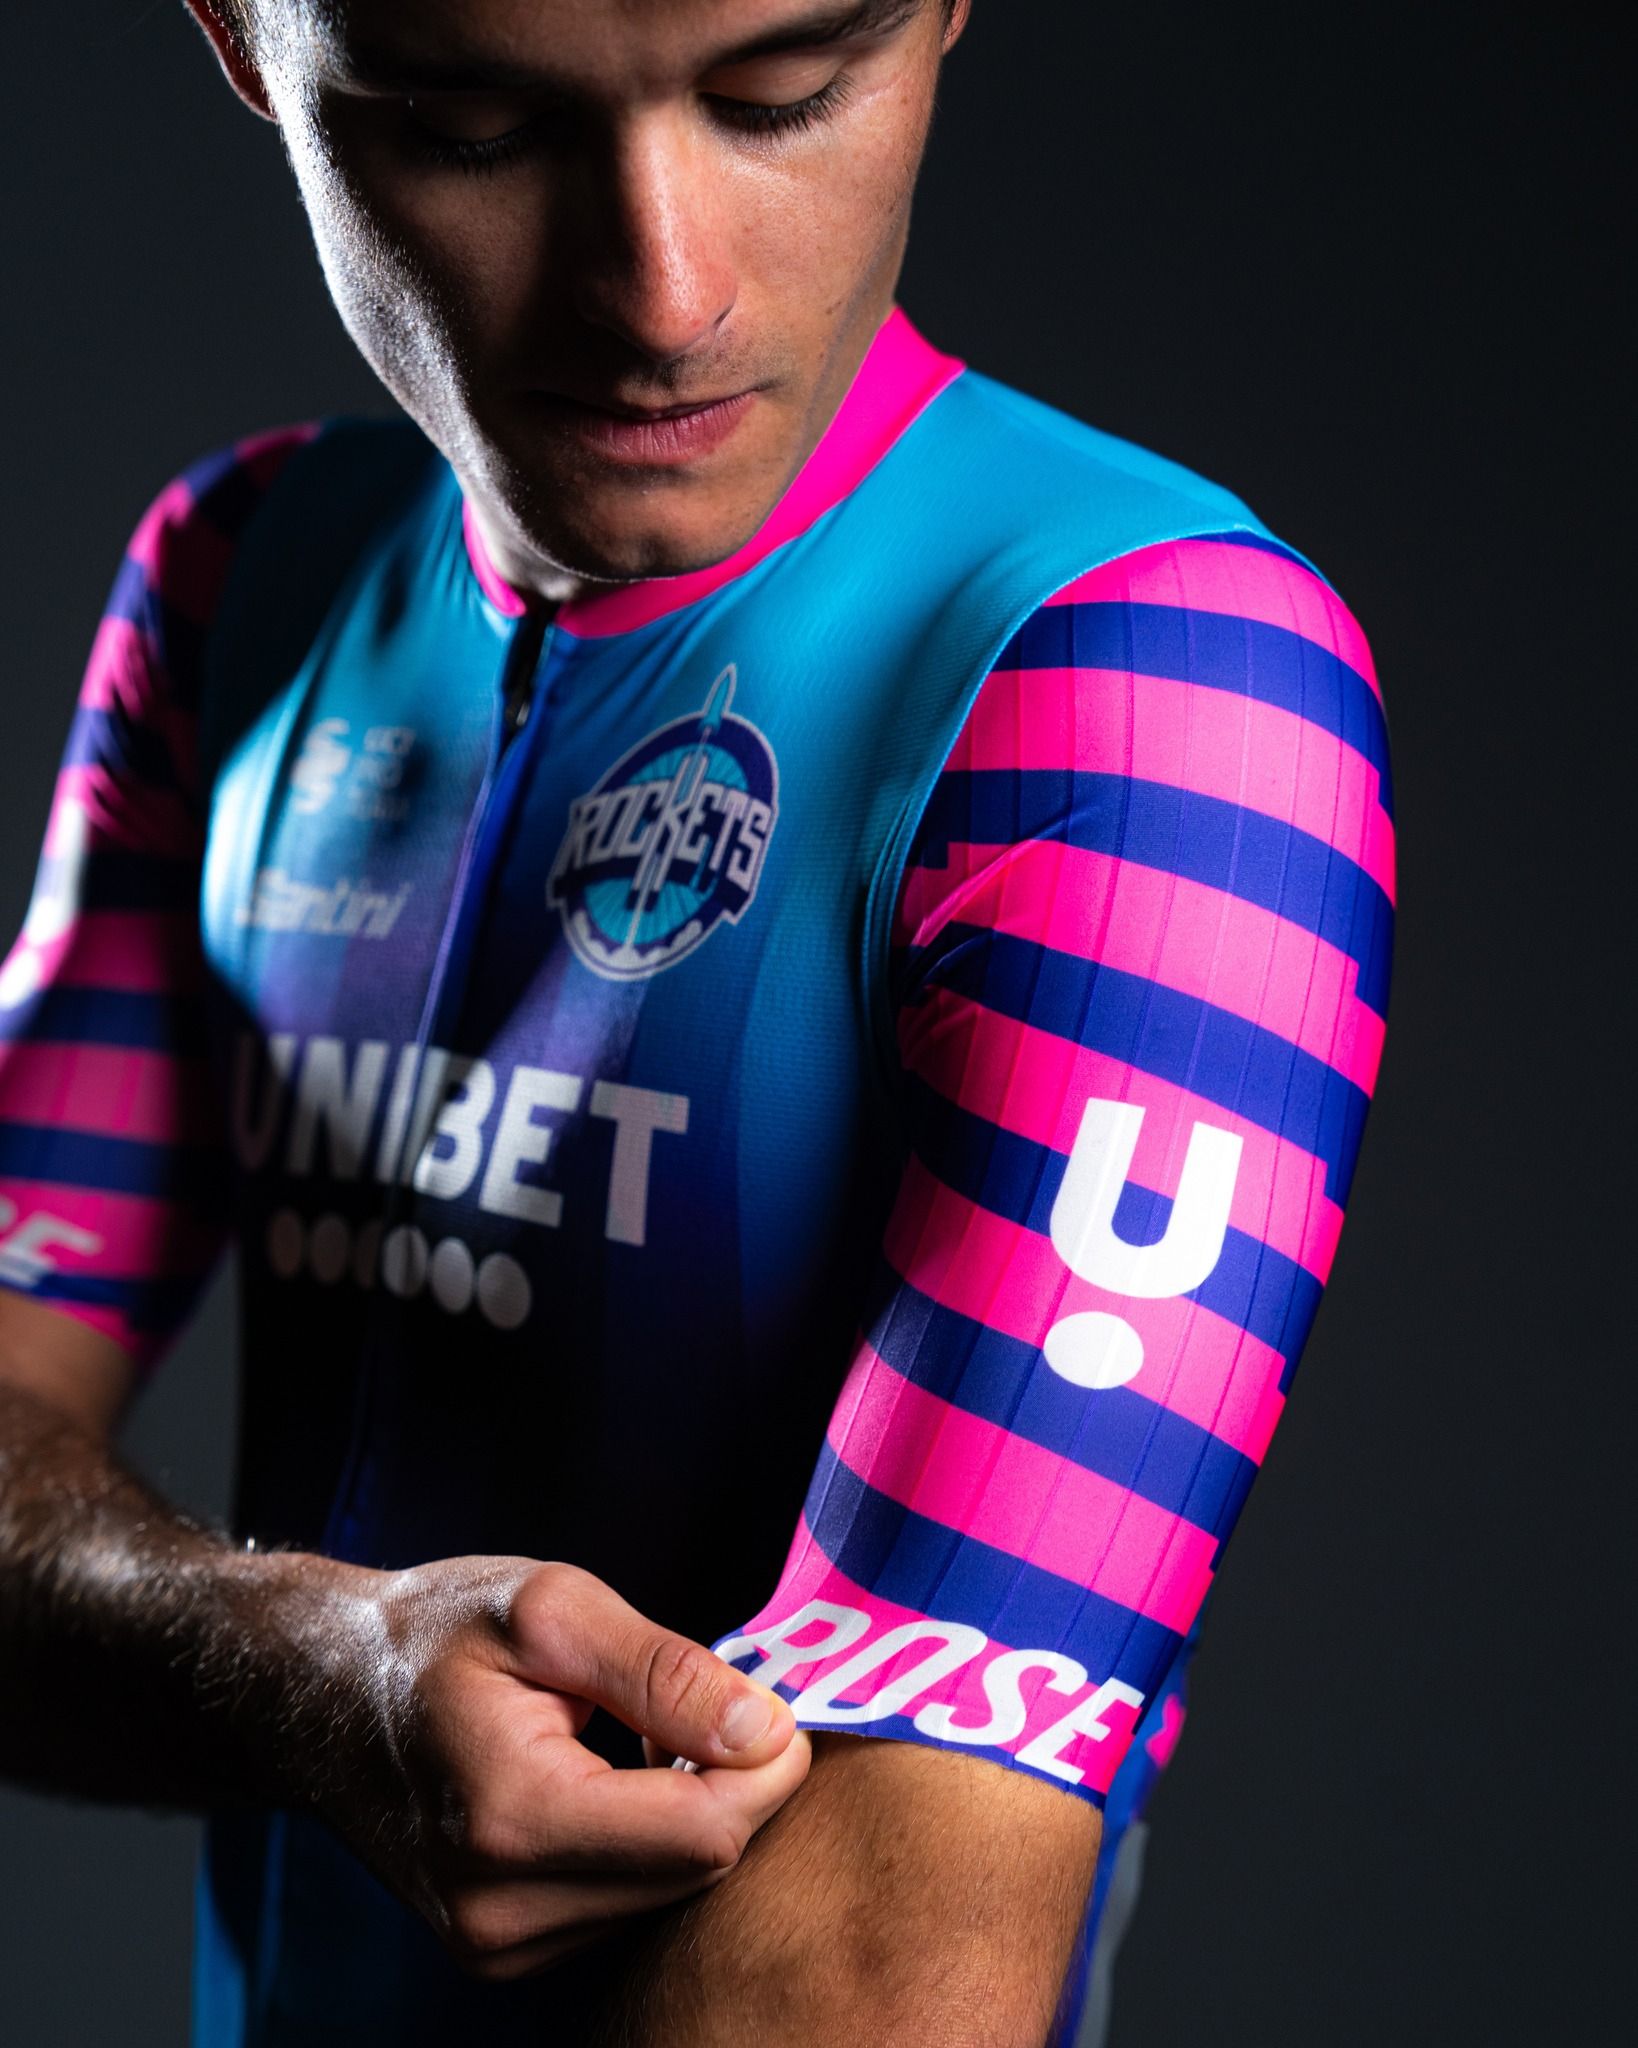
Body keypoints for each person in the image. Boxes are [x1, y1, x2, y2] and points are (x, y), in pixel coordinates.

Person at [0, 1, 1394, 2042]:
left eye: (781, 92)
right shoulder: (243, 581)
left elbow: (884, 1963)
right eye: (471, 120)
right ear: (236, 32)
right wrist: (299, 1667)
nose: (663, 294)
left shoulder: (1158, 692)